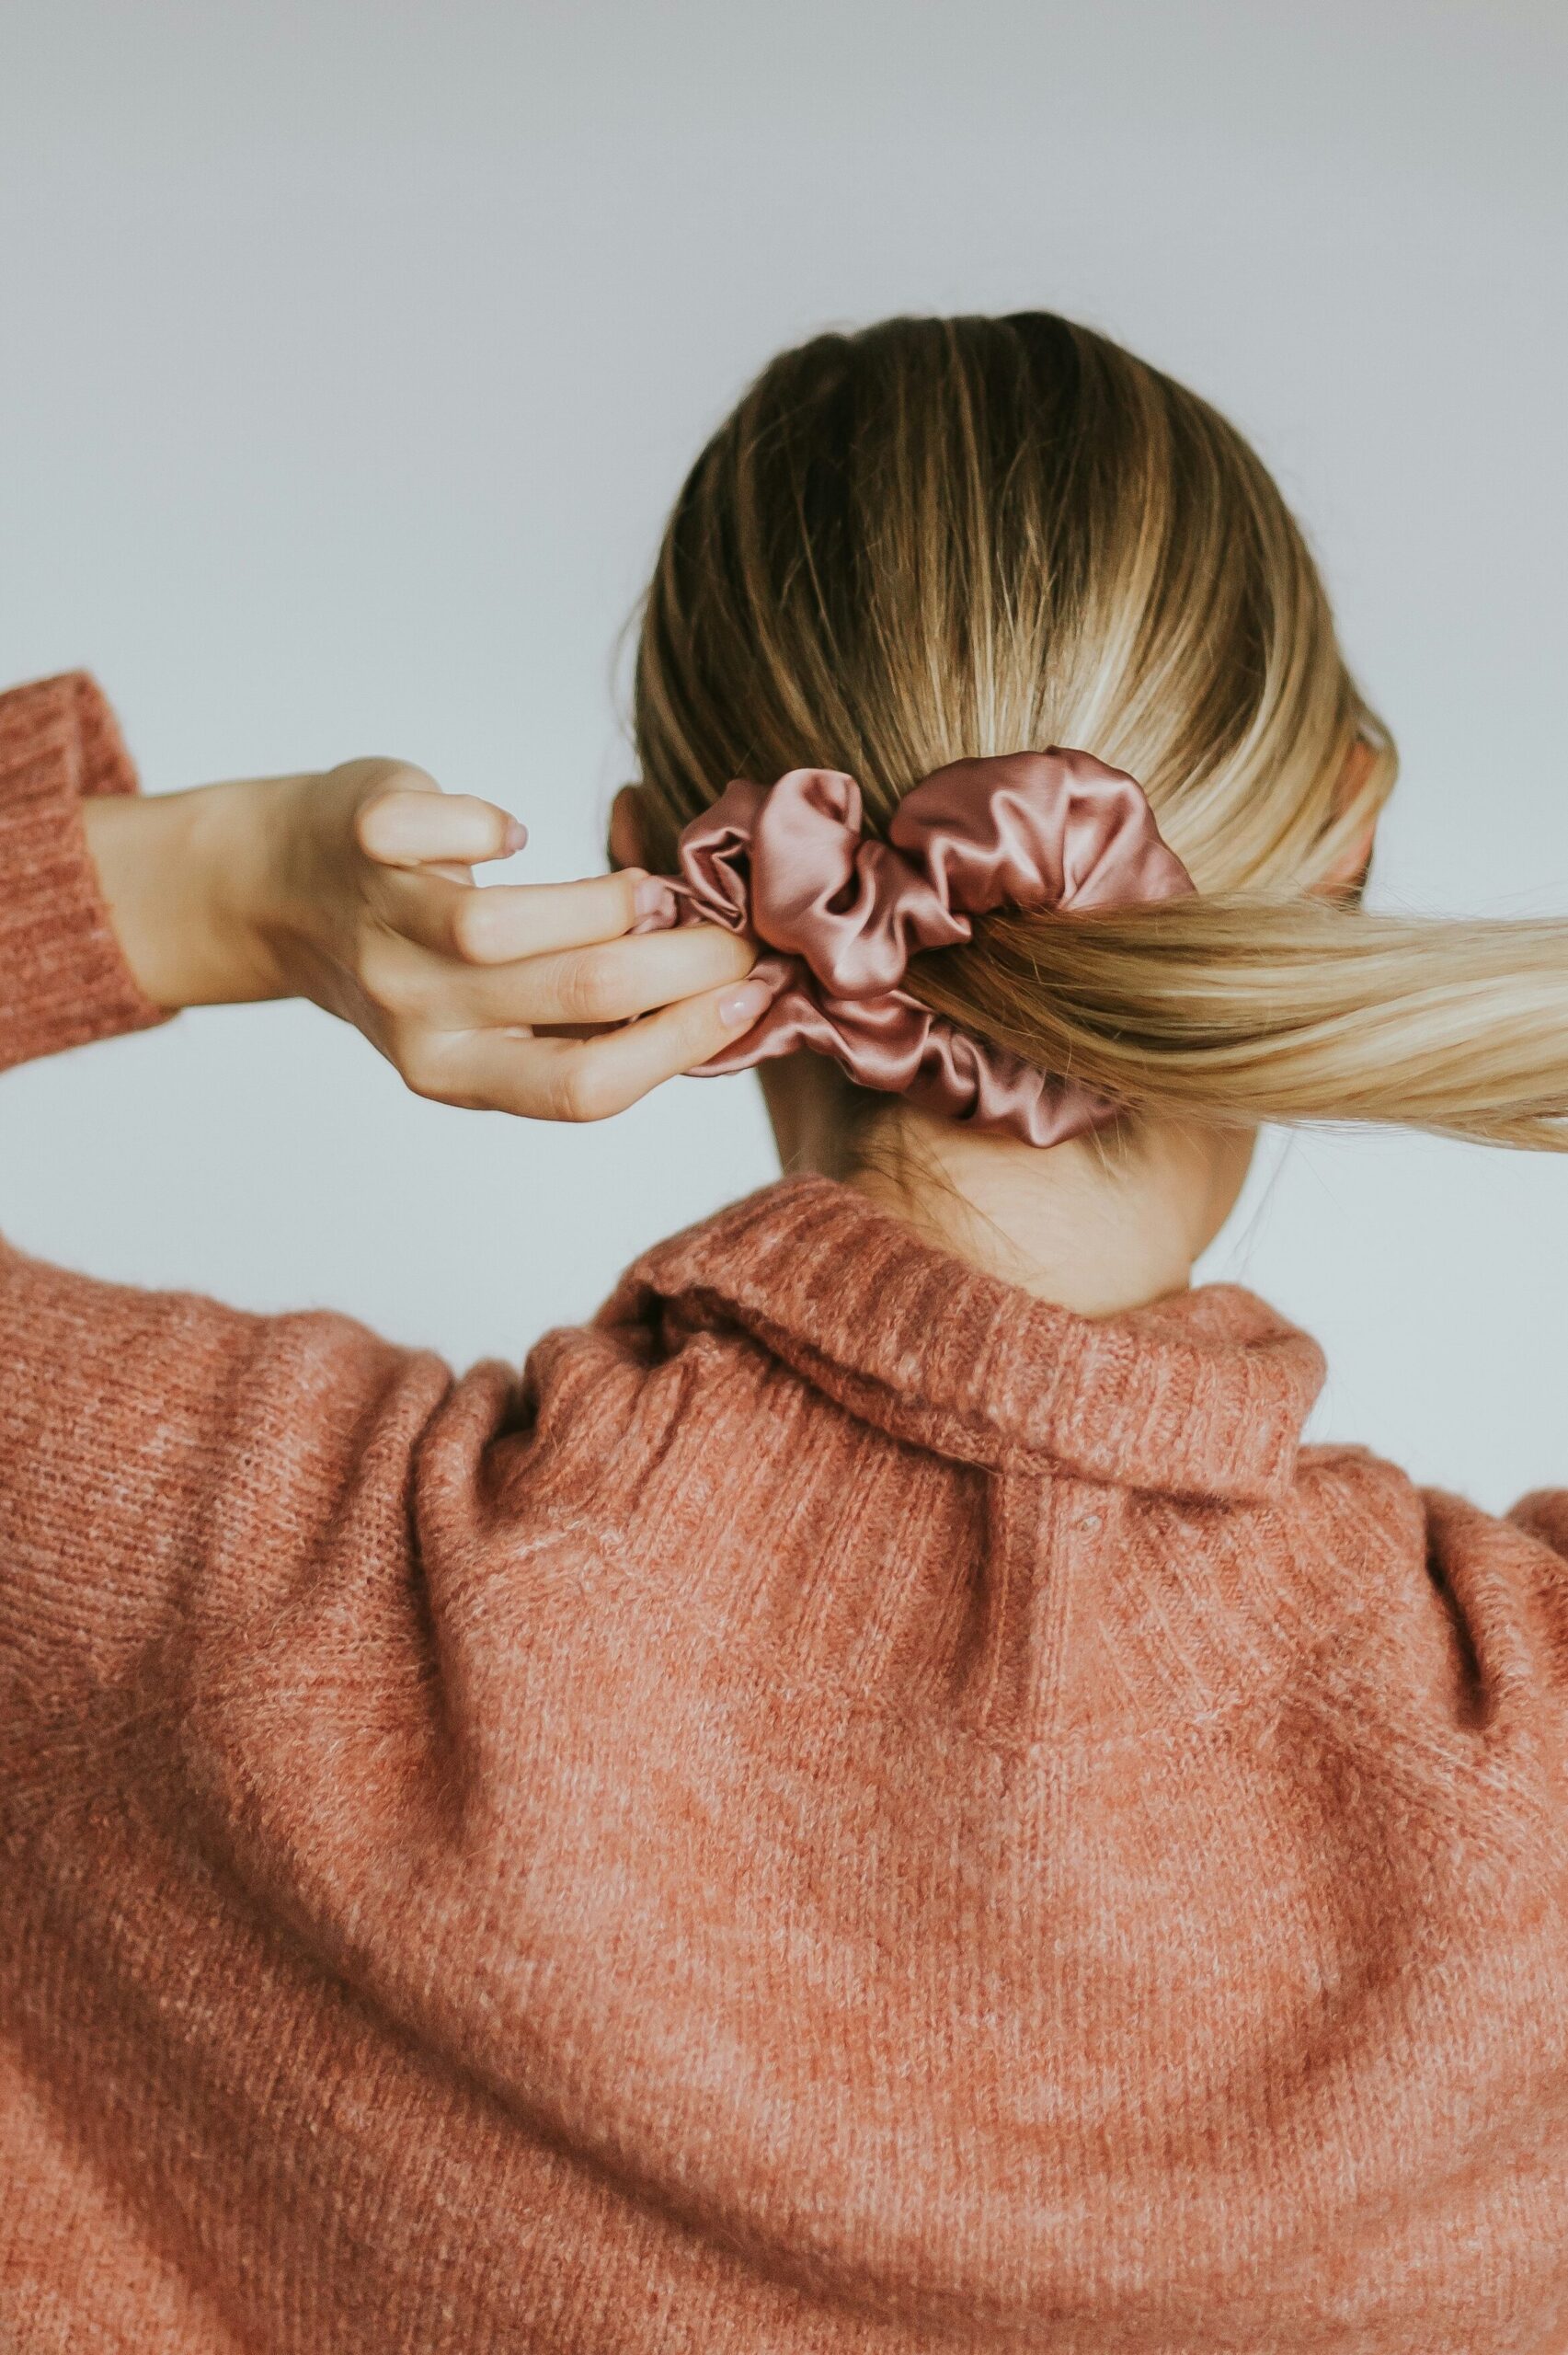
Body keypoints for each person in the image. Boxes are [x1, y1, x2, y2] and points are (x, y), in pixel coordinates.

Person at [2, 313, 1564, 2355]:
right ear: (1339, 844)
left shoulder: (213, 1585)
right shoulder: (1528, 1776)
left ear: (676, 871)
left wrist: (205, 883)